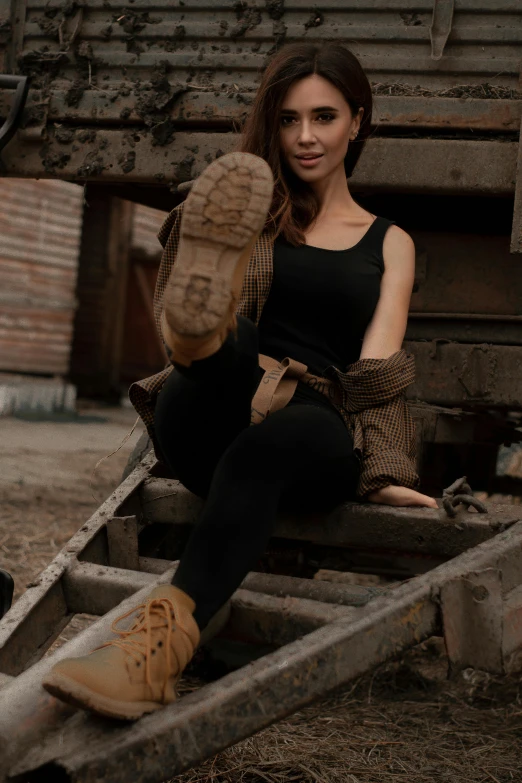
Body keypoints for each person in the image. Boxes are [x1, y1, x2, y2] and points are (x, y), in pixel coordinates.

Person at [43, 42, 437, 720]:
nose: (305, 136)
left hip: (311, 421)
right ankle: (196, 333)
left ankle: (147, 656)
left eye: (324, 117)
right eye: (288, 120)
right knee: (234, 337)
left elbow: (375, 372)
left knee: (273, 441)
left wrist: (386, 468)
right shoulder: (255, 212)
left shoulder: (389, 241)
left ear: (358, 122)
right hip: (211, 399)